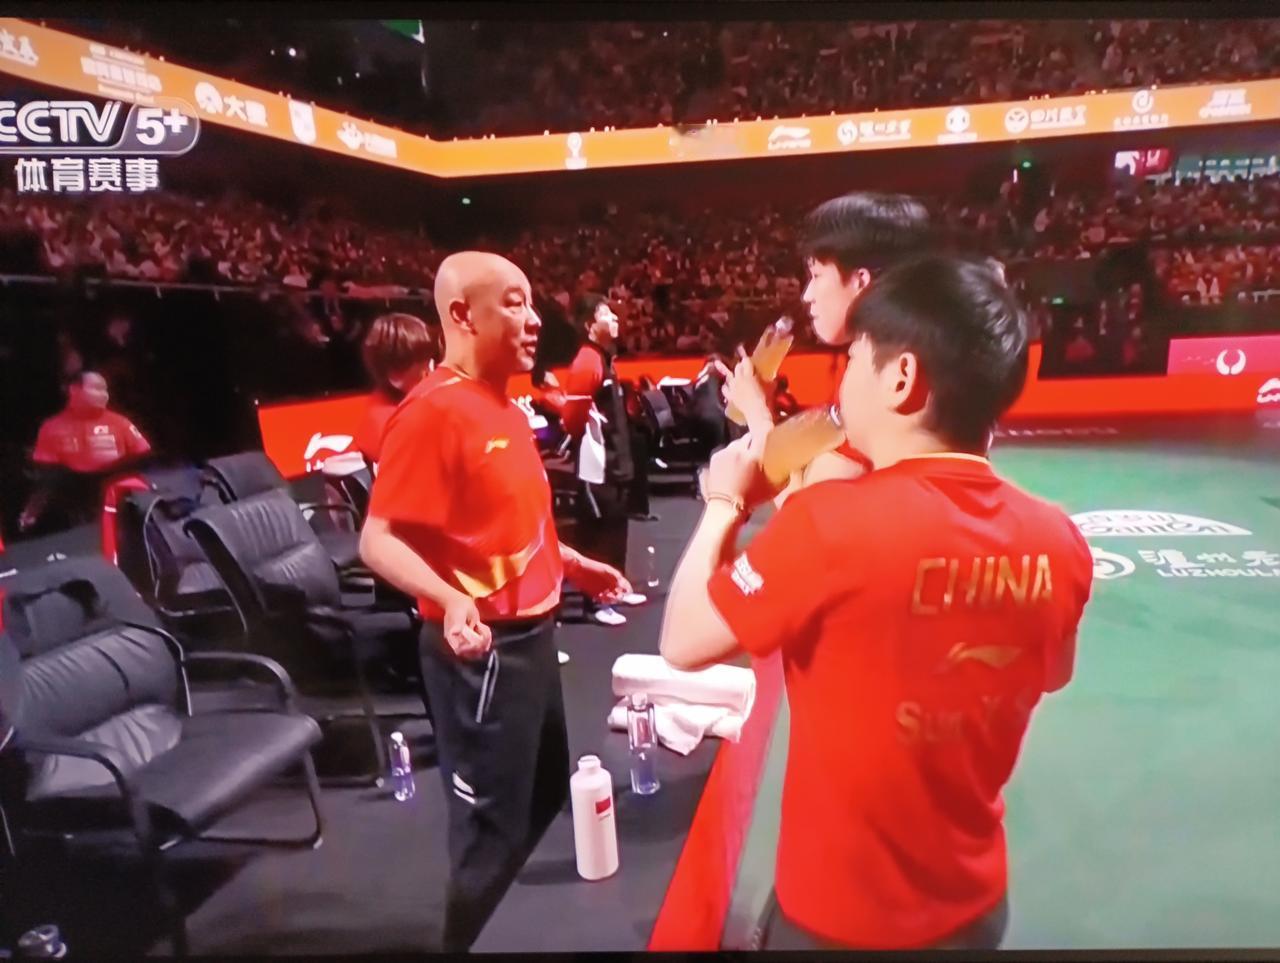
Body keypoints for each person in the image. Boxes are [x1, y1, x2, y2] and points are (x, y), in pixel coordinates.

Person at [658, 255, 1093, 951]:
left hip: (838, 920)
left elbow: (683, 640)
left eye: (854, 358)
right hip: (974, 908)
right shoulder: (1060, 539)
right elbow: (1050, 674)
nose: (843, 379)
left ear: (901, 377)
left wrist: (723, 503)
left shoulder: (829, 523)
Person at [359, 252, 632, 953]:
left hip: (532, 642)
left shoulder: (504, 407)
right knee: (492, 837)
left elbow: (510, 524)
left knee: (541, 809)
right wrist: (448, 599)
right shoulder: (432, 412)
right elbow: (377, 540)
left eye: (531, 302)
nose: (534, 318)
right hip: (481, 657)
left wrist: (572, 563)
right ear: (461, 315)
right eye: (513, 302)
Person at [722, 191, 934, 497]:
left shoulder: (879, 382)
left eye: (816, 275)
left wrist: (757, 417)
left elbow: (810, 512)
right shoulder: (920, 353)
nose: (807, 294)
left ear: (861, 281)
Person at [561, 294, 644, 626]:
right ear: (589, 325)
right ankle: (595, 602)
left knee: (616, 527)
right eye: (606, 315)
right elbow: (571, 420)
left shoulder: (606, 359)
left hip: (617, 460)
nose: (615, 319)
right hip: (598, 465)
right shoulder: (587, 362)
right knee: (597, 534)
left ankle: (616, 588)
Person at [18, 371, 153, 534]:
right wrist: (32, 510)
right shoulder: (51, 427)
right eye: (96, 388)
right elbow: (47, 479)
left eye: (105, 390)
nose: (103, 395)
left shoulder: (120, 422)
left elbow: (142, 456)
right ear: (74, 390)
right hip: (78, 498)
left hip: (117, 490)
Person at [354, 312, 439, 465]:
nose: (431, 371)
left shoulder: (413, 403)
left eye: (430, 360)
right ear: (395, 374)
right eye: (423, 364)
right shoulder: (386, 423)